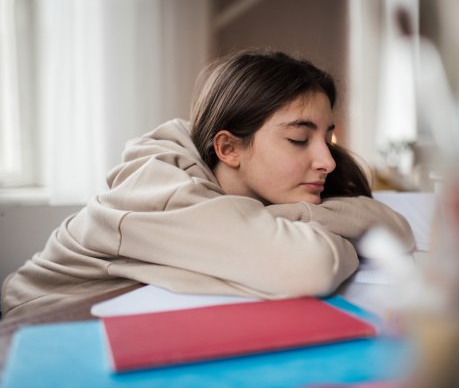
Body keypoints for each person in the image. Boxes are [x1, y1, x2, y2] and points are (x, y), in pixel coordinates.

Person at [1, 50, 415, 318]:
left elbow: (394, 229)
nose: (325, 160)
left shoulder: (260, 183)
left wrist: (283, 220)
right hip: (29, 345)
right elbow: (309, 266)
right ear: (229, 148)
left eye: (326, 137)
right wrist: (307, 229)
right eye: (298, 139)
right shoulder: (157, 188)